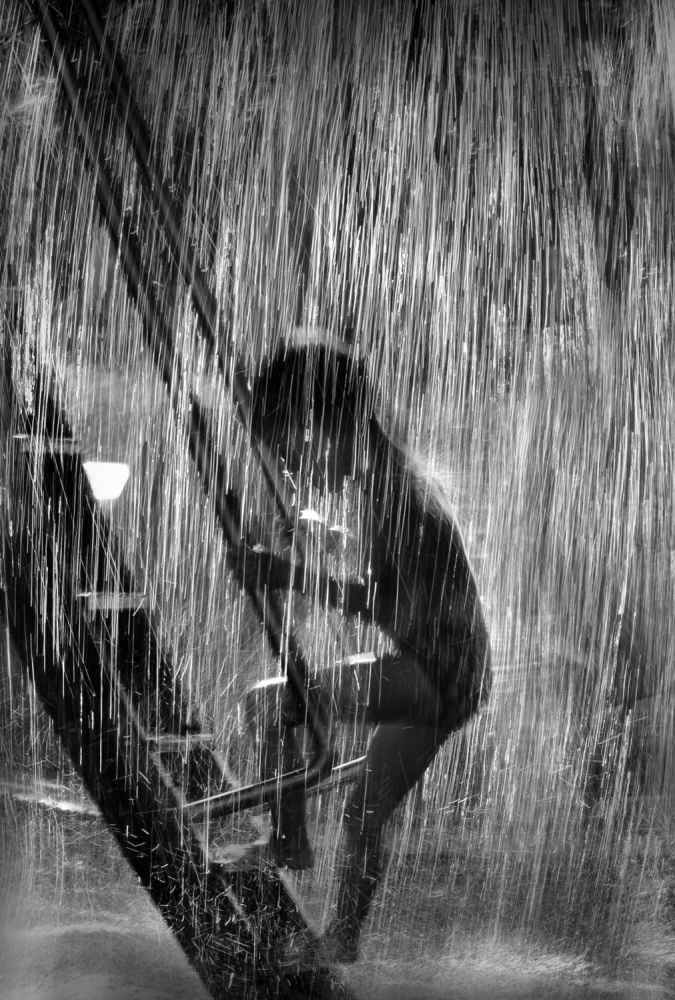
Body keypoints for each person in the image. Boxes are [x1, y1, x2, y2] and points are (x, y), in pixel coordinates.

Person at [241, 338, 491, 966]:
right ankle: (342, 940)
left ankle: (289, 841)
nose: (296, 470)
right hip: (460, 676)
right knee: (362, 815)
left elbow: (384, 604)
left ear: (323, 429)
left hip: (432, 672)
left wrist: (288, 573)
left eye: (295, 451)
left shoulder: (396, 491)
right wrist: (330, 541)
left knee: (271, 706)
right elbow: (400, 580)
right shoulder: (389, 477)